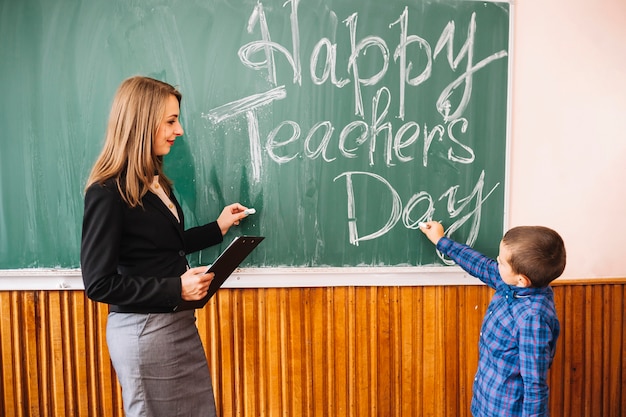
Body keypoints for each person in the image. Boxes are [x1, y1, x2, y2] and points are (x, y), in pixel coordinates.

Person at [80, 75, 250, 417]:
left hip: (177, 326)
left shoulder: (155, 183)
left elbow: (162, 246)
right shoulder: (107, 192)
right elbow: (99, 284)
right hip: (145, 333)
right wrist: (177, 287)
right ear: (142, 123)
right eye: (171, 121)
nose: (180, 130)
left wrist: (217, 228)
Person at [419, 222, 566, 417]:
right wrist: (440, 241)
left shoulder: (532, 319)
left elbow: (534, 385)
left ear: (522, 279)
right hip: (486, 400)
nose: (496, 262)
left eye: (502, 262)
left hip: (505, 410)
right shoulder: (513, 285)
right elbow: (480, 265)